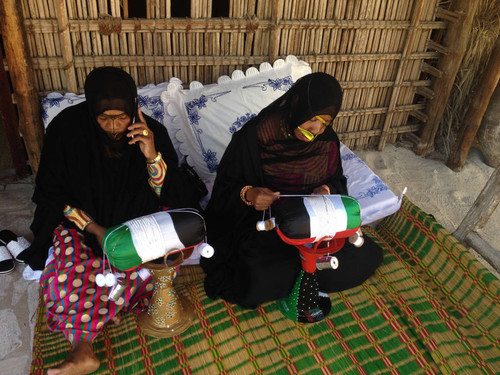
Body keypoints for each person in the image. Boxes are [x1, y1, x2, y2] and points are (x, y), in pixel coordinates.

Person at [19, 67, 200, 375]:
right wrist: (96, 230)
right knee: (68, 271)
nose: (115, 126)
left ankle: (96, 321)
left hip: (135, 222)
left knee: (141, 272)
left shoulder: (149, 130)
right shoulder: (67, 129)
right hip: (80, 223)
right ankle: (83, 348)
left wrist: (151, 154)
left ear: (133, 108)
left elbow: (163, 194)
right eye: (105, 118)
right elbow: (53, 194)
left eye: (121, 117)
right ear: (92, 111)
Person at [201, 72, 383, 309]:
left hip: (314, 224)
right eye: (312, 119)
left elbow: (338, 182)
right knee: (256, 276)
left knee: (362, 257)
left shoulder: (326, 141)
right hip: (268, 226)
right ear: (297, 104)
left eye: (325, 122)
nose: (316, 128)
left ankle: (305, 274)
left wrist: (326, 189)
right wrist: (250, 194)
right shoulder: (256, 135)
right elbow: (227, 188)